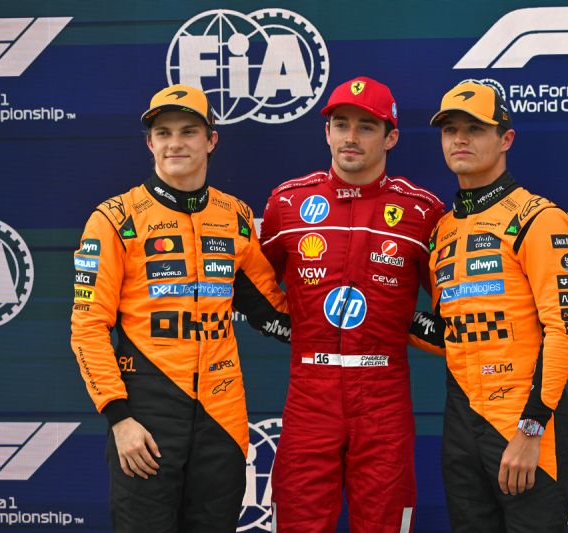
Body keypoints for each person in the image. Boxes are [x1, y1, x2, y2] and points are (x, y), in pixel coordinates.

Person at [70, 84, 290, 533]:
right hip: (146, 416)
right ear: (149, 143)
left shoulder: (235, 216)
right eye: (163, 133)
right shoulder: (115, 218)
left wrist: (352, 322)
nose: (175, 143)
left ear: (211, 140)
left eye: (188, 131)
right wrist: (119, 418)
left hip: (222, 416)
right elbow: (88, 327)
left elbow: (270, 311)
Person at [259, 76, 444, 533]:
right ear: (327, 132)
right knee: (299, 521)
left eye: (367, 126)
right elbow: (254, 290)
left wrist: (398, 323)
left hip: (383, 391)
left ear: (391, 137)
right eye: (341, 124)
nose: (351, 137)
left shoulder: (422, 211)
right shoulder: (288, 202)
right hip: (310, 390)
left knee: (384, 522)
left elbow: (451, 308)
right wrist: (293, 327)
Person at [411, 80, 568, 532]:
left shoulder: (539, 218)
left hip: (523, 423)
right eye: (450, 130)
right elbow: (452, 333)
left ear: (505, 139)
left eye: (475, 129)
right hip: (461, 423)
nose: (460, 139)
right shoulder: (442, 230)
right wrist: (387, 318)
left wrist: (531, 430)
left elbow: (563, 332)